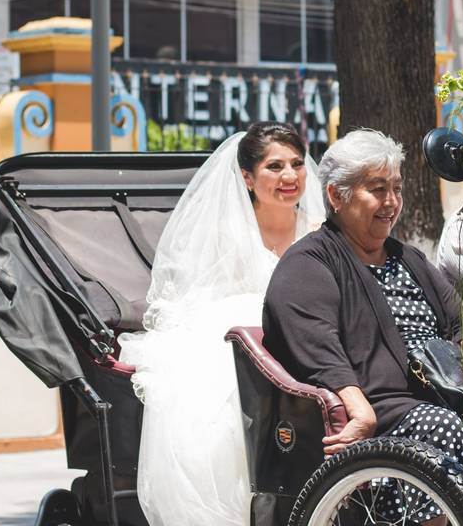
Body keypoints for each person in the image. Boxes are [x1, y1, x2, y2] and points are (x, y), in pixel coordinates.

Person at [263, 129, 463, 524]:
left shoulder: (407, 258)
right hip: (383, 404)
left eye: (396, 189)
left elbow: (462, 317)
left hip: (439, 394)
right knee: (442, 429)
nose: (391, 202)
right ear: (336, 196)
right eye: (377, 190)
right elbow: (315, 341)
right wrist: (359, 408)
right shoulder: (309, 262)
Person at [117, 122, 325, 526]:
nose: (290, 177)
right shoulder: (227, 234)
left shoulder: (319, 229)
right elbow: (199, 300)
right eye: (275, 166)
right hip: (237, 340)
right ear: (247, 177)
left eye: (297, 164)